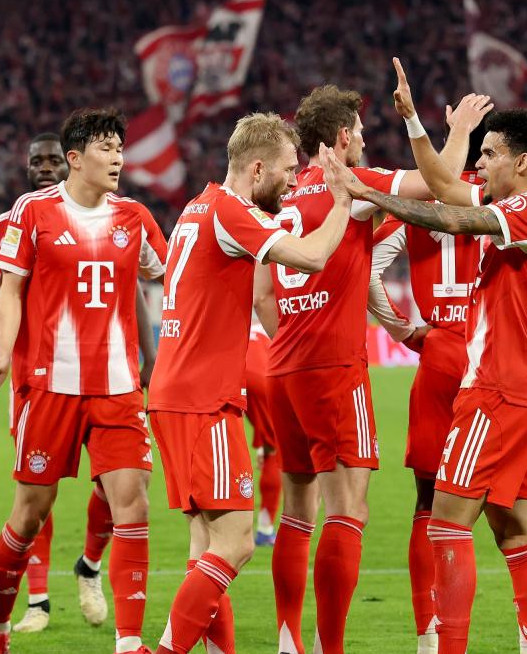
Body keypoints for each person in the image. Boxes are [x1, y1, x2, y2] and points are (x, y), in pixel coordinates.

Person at [321, 58, 527, 653]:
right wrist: (416, 123)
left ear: (521, 163)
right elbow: (444, 187)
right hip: (516, 389)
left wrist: (367, 192)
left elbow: (452, 215)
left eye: (489, 155)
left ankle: (442, 645)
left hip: (494, 393)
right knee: (518, 531)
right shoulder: (524, 211)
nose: (478, 163)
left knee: (444, 523)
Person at [252, 84, 490, 654]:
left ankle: (288, 641)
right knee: (348, 510)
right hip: (334, 369)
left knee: (297, 510)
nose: (363, 138)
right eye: (359, 130)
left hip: (281, 366)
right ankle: (329, 648)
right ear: (341, 136)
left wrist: (295, 341)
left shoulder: (281, 195)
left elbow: (261, 295)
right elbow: (440, 183)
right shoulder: (352, 185)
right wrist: (456, 131)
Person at [147, 112, 354, 654]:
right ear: (257, 168)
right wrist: (343, 201)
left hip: (173, 393)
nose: (293, 181)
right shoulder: (230, 211)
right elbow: (311, 257)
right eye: (288, 169)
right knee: (237, 543)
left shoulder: (197, 207)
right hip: (203, 400)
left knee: (205, 545)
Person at [0, 108, 168, 654]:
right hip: (50, 387)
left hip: (118, 388)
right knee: (29, 516)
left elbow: (173, 273)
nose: (118, 159)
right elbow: (10, 290)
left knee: (133, 503)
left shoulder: (135, 216)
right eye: (107, 148)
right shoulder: (33, 212)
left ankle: (128, 642)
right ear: (76, 159)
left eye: (120, 148)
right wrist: (3, 351)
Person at [243, 319, 280, 547]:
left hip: (228, 376)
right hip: (262, 379)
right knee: (274, 451)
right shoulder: (274, 329)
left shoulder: (246, 326)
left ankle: (215, 524)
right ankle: (265, 530)